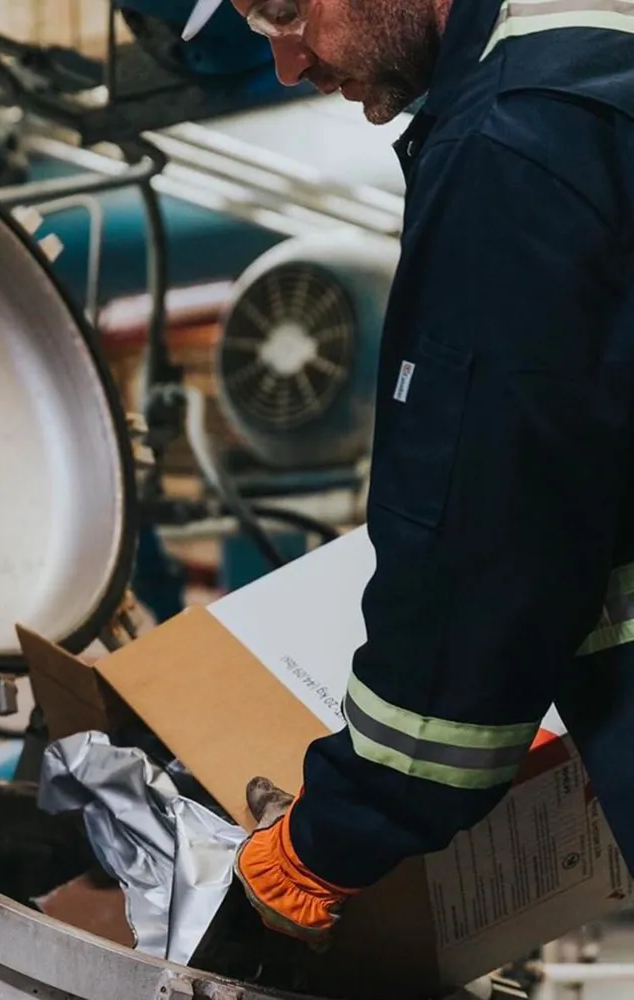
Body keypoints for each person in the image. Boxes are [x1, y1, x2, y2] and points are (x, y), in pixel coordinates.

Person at [181, 0, 634, 948]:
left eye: (285, 10)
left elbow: (485, 546)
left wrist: (325, 842)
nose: (288, 66)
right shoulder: (593, 63)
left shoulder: (517, 132)